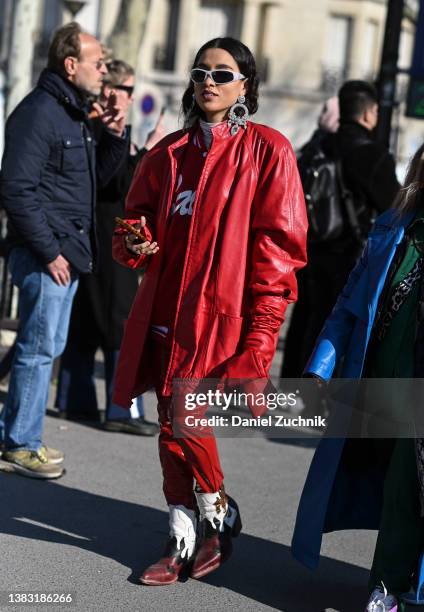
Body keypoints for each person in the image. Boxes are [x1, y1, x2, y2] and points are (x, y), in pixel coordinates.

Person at [111, 37, 307, 585]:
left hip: (223, 316)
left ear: (247, 83)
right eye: (201, 73)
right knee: (168, 424)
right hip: (163, 311)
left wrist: (261, 339)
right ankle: (184, 534)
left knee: (185, 420)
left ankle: (215, 515)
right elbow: (132, 226)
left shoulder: (269, 151)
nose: (209, 82)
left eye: (223, 74)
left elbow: (279, 255)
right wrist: (137, 239)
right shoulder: (168, 152)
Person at [291, 144, 424, 611]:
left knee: (405, 489)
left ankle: (386, 586)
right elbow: (349, 306)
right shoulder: (391, 229)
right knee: (390, 486)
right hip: (375, 386)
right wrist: (321, 367)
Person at [0, 22, 128, 479]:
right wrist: (50, 251)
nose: (104, 71)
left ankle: (16, 433)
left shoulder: (74, 113)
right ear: (70, 64)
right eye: (97, 63)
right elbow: (16, 189)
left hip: (65, 254)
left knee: (46, 346)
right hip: (45, 255)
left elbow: (100, 182)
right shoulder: (40, 113)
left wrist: (115, 131)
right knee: (37, 350)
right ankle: (19, 444)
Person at [54, 59, 164, 436]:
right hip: (107, 236)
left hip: (100, 235)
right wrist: (147, 152)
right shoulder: (100, 128)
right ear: (112, 91)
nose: (130, 97)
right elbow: (117, 185)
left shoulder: (98, 126)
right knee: (120, 322)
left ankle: (75, 399)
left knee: (88, 319)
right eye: (127, 89)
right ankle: (123, 410)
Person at [282, 81, 400, 378]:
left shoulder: (318, 147)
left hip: (311, 248)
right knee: (338, 322)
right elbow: (394, 205)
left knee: (306, 316)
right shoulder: (372, 154)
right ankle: (324, 390)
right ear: (369, 113)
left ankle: (296, 384)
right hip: (348, 253)